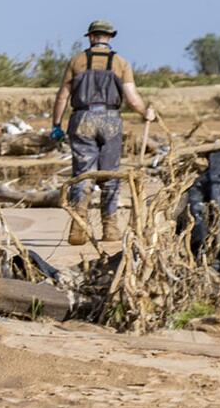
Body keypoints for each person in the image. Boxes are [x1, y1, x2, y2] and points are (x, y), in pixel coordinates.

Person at [49, 18, 156, 242]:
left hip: (82, 118)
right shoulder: (120, 63)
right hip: (110, 121)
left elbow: (62, 96)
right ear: (110, 37)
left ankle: (78, 227)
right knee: (110, 174)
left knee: (83, 174)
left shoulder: (76, 61)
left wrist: (56, 125)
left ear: (90, 37)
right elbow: (131, 98)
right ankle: (110, 228)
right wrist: (145, 112)